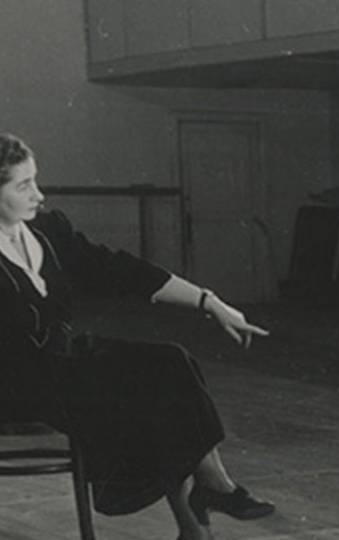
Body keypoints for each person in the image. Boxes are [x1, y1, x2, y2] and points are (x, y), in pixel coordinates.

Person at [0, 133, 274, 540]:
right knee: (147, 391)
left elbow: (120, 270)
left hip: (63, 367)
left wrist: (210, 302)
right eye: (23, 185)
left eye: (36, 181)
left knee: (169, 361)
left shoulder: (48, 231)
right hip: (16, 385)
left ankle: (211, 492)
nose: (38, 195)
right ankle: (201, 515)